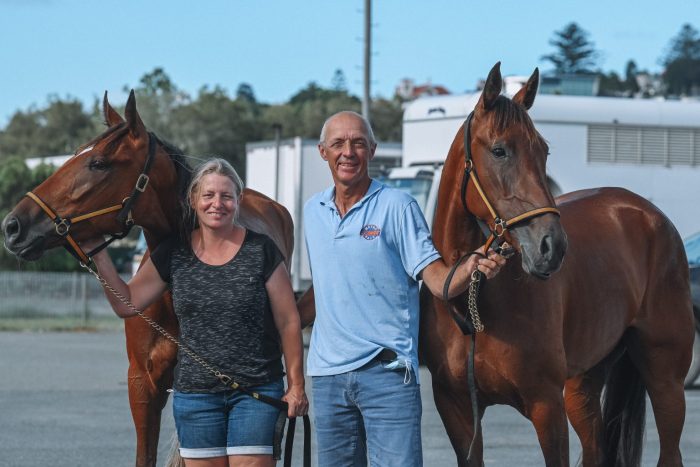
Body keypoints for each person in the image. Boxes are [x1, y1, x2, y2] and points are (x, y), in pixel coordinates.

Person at [303, 111, 505, 467]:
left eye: (358, 143)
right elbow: (324, 289)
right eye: (338, 143)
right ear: (323, 151)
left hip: (387, 375)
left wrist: (472, 266)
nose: (348, 152)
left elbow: (438, 281)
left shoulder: (398, 207)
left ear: (373, 150)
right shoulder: (313, 210)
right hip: (327, 378)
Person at [86, 158, 308, 467]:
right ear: (194, 200)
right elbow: (127, 303)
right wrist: (99, 257)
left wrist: (296, 385)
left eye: (226, 196)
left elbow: (288, 321)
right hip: (196, 398)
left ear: (238, 201)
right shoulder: (173, 253)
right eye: (209, 195)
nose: (218, 203)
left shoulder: (262, 250)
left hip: (255, 393)